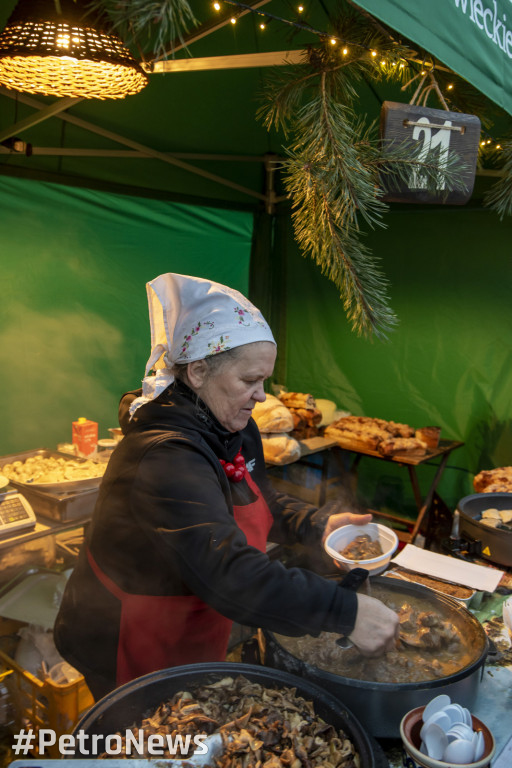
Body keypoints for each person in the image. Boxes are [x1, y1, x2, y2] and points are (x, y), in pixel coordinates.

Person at [54, 273, 399, 701]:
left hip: (193, 618)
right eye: (249, 381)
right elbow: (226, 569)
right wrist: (345, 612)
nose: (260, 396)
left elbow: (259, 500)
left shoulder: (231, 423)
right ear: (197, 371)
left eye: (264, 382)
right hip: (127, 632)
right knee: (139, 744)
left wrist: (317, 526)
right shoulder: (164, 456)